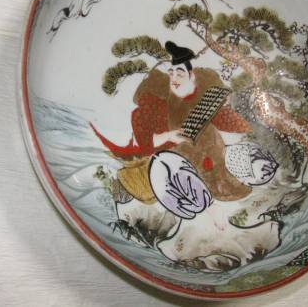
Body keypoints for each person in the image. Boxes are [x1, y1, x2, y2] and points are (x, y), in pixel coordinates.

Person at [91, 41, 253, 204]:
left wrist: (246, 125)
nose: (174, 79)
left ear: (191, 75)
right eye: (171, 74)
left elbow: (222, 118)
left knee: (218, 163)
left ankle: (225, 183)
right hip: (180, 158)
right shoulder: (157, 100)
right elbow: (145, 141)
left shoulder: (204, 91)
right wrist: (168, 136)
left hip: (214, 149)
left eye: (180, 74)